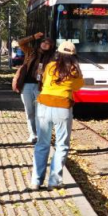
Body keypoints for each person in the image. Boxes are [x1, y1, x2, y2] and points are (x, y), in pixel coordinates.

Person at [31, 41, 84, 191]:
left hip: (43, 106)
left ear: (58, 53)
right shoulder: (74, 70)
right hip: (62, 108)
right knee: (61, 145)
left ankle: (36, 181)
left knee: (42, 144)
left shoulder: (50, 66)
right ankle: (54, 181)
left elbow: (43, 81)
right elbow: (78, 86)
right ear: (74, 56)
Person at [16, 32, 55, 143]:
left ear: (51, 46)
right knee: (30, 112)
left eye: (48, 44)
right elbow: (20, 43)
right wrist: (32, 37)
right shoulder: (31, 51)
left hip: (41, 87)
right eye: (43, 42)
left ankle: (40, 135)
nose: (45, 44)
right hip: (26, 85)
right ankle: (32, 134)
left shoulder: (52, 57)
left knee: (40, 113)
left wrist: (44, 73)